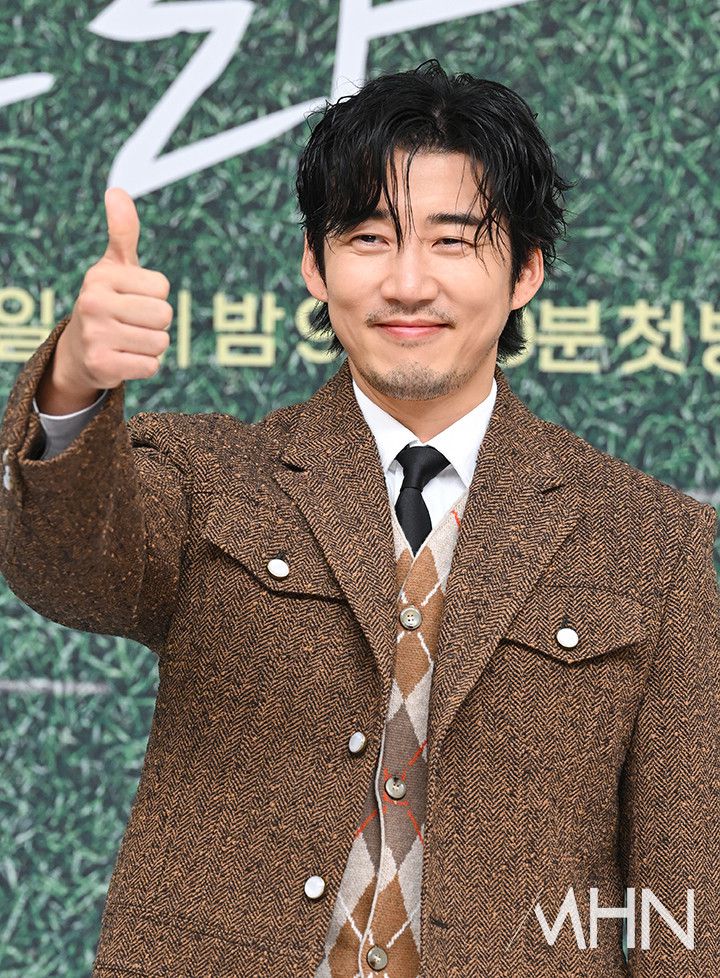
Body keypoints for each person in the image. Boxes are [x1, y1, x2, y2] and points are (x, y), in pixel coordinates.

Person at [0, 60, 717, 978]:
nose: (408, 283)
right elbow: (69, 569)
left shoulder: (648, 541)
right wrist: (74, 381)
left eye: (453, 241)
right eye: (370, 238)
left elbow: (687, 886)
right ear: (316, 264)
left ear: (526, 271)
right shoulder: (213, 477)